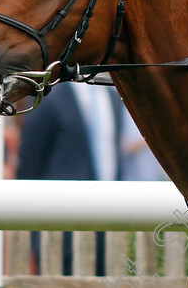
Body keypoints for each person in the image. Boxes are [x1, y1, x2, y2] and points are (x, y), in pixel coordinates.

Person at [16, 81, 124, 275]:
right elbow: (29, 163)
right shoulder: (48, 97)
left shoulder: (113, 98)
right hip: (60, 232)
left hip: (107, 230)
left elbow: (113, 159)